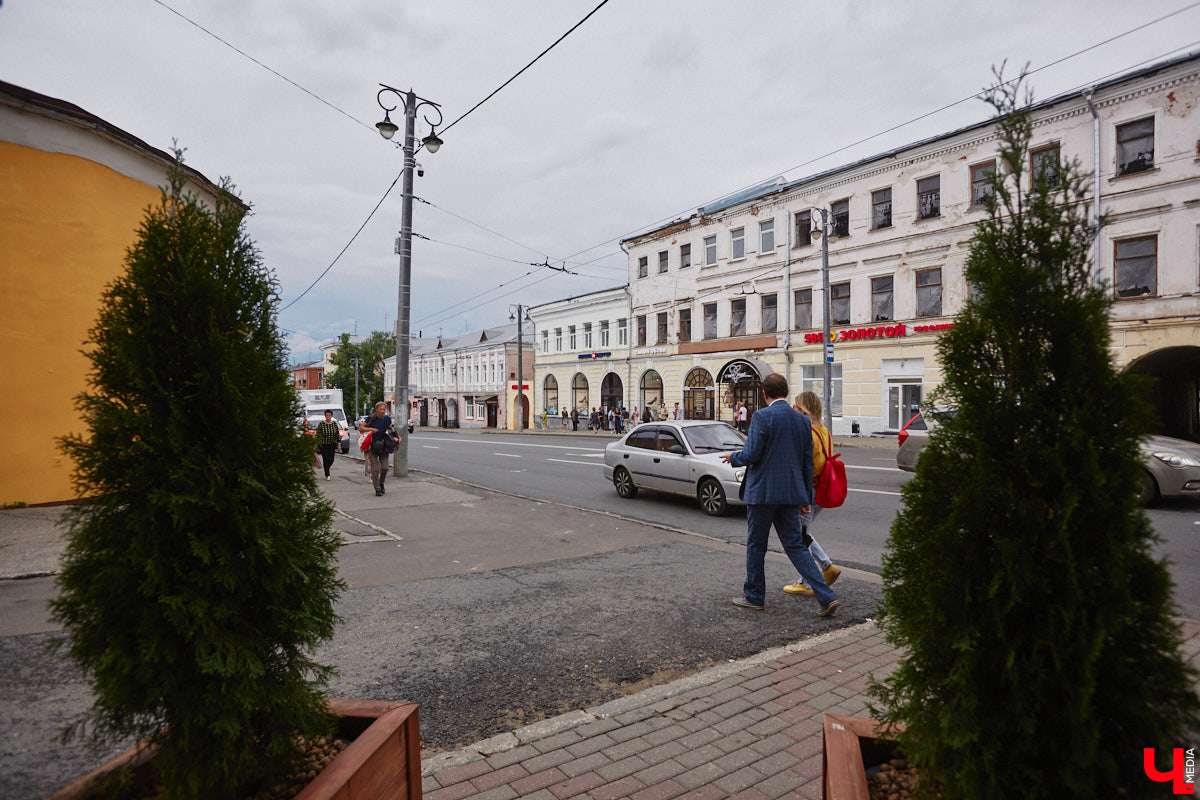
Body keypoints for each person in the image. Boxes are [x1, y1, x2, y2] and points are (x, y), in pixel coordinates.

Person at [721, 373, 838, 616]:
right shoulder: (803, 421)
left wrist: (733, 457)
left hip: (762, 493)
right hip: (791, 494)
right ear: (786, 393)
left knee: (756, 545)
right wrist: (805, 498)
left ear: (765, 395)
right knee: (795, 545)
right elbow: (807, 463)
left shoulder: (762, 416)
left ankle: (754, 596)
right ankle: (826, 597)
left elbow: (751, 454)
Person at [782, 391, 842, 596]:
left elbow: (805, 465)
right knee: (803, 533)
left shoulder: (806, 431)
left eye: (796, 407)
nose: (793, 410)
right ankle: (826, 566)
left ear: (803, 411)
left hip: (809, 489)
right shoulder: (824, 430)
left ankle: (807, 581)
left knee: (799, 537)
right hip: (822, 489)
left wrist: (800, 495)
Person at [358, 401, 393, 496]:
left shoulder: (387, 419)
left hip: (384, 445)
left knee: (385, 467)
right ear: (377, 409)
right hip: (372, 446)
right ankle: (377, 488)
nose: (382, 411)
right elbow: (360, 428)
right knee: (375, 469)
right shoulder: (371, 418)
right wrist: (371, 429)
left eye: (384, 409)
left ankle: (381, 483)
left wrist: (397, 438)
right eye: (380, 409)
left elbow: (390, 429)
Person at [315, 409, 340, 481]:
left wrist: (339, 444)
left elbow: (337, 435)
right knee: (325, 458)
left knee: (331, 459)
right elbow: (318, 435)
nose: (328, 417)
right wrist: (316, 444)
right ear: (325, 416)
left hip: (332, 444)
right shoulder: (322, 424)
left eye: (329, 415)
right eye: (326, 415)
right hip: (323, 444)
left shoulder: (334, 424)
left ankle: (326, 467)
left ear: (331, 416)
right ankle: (327, 474)